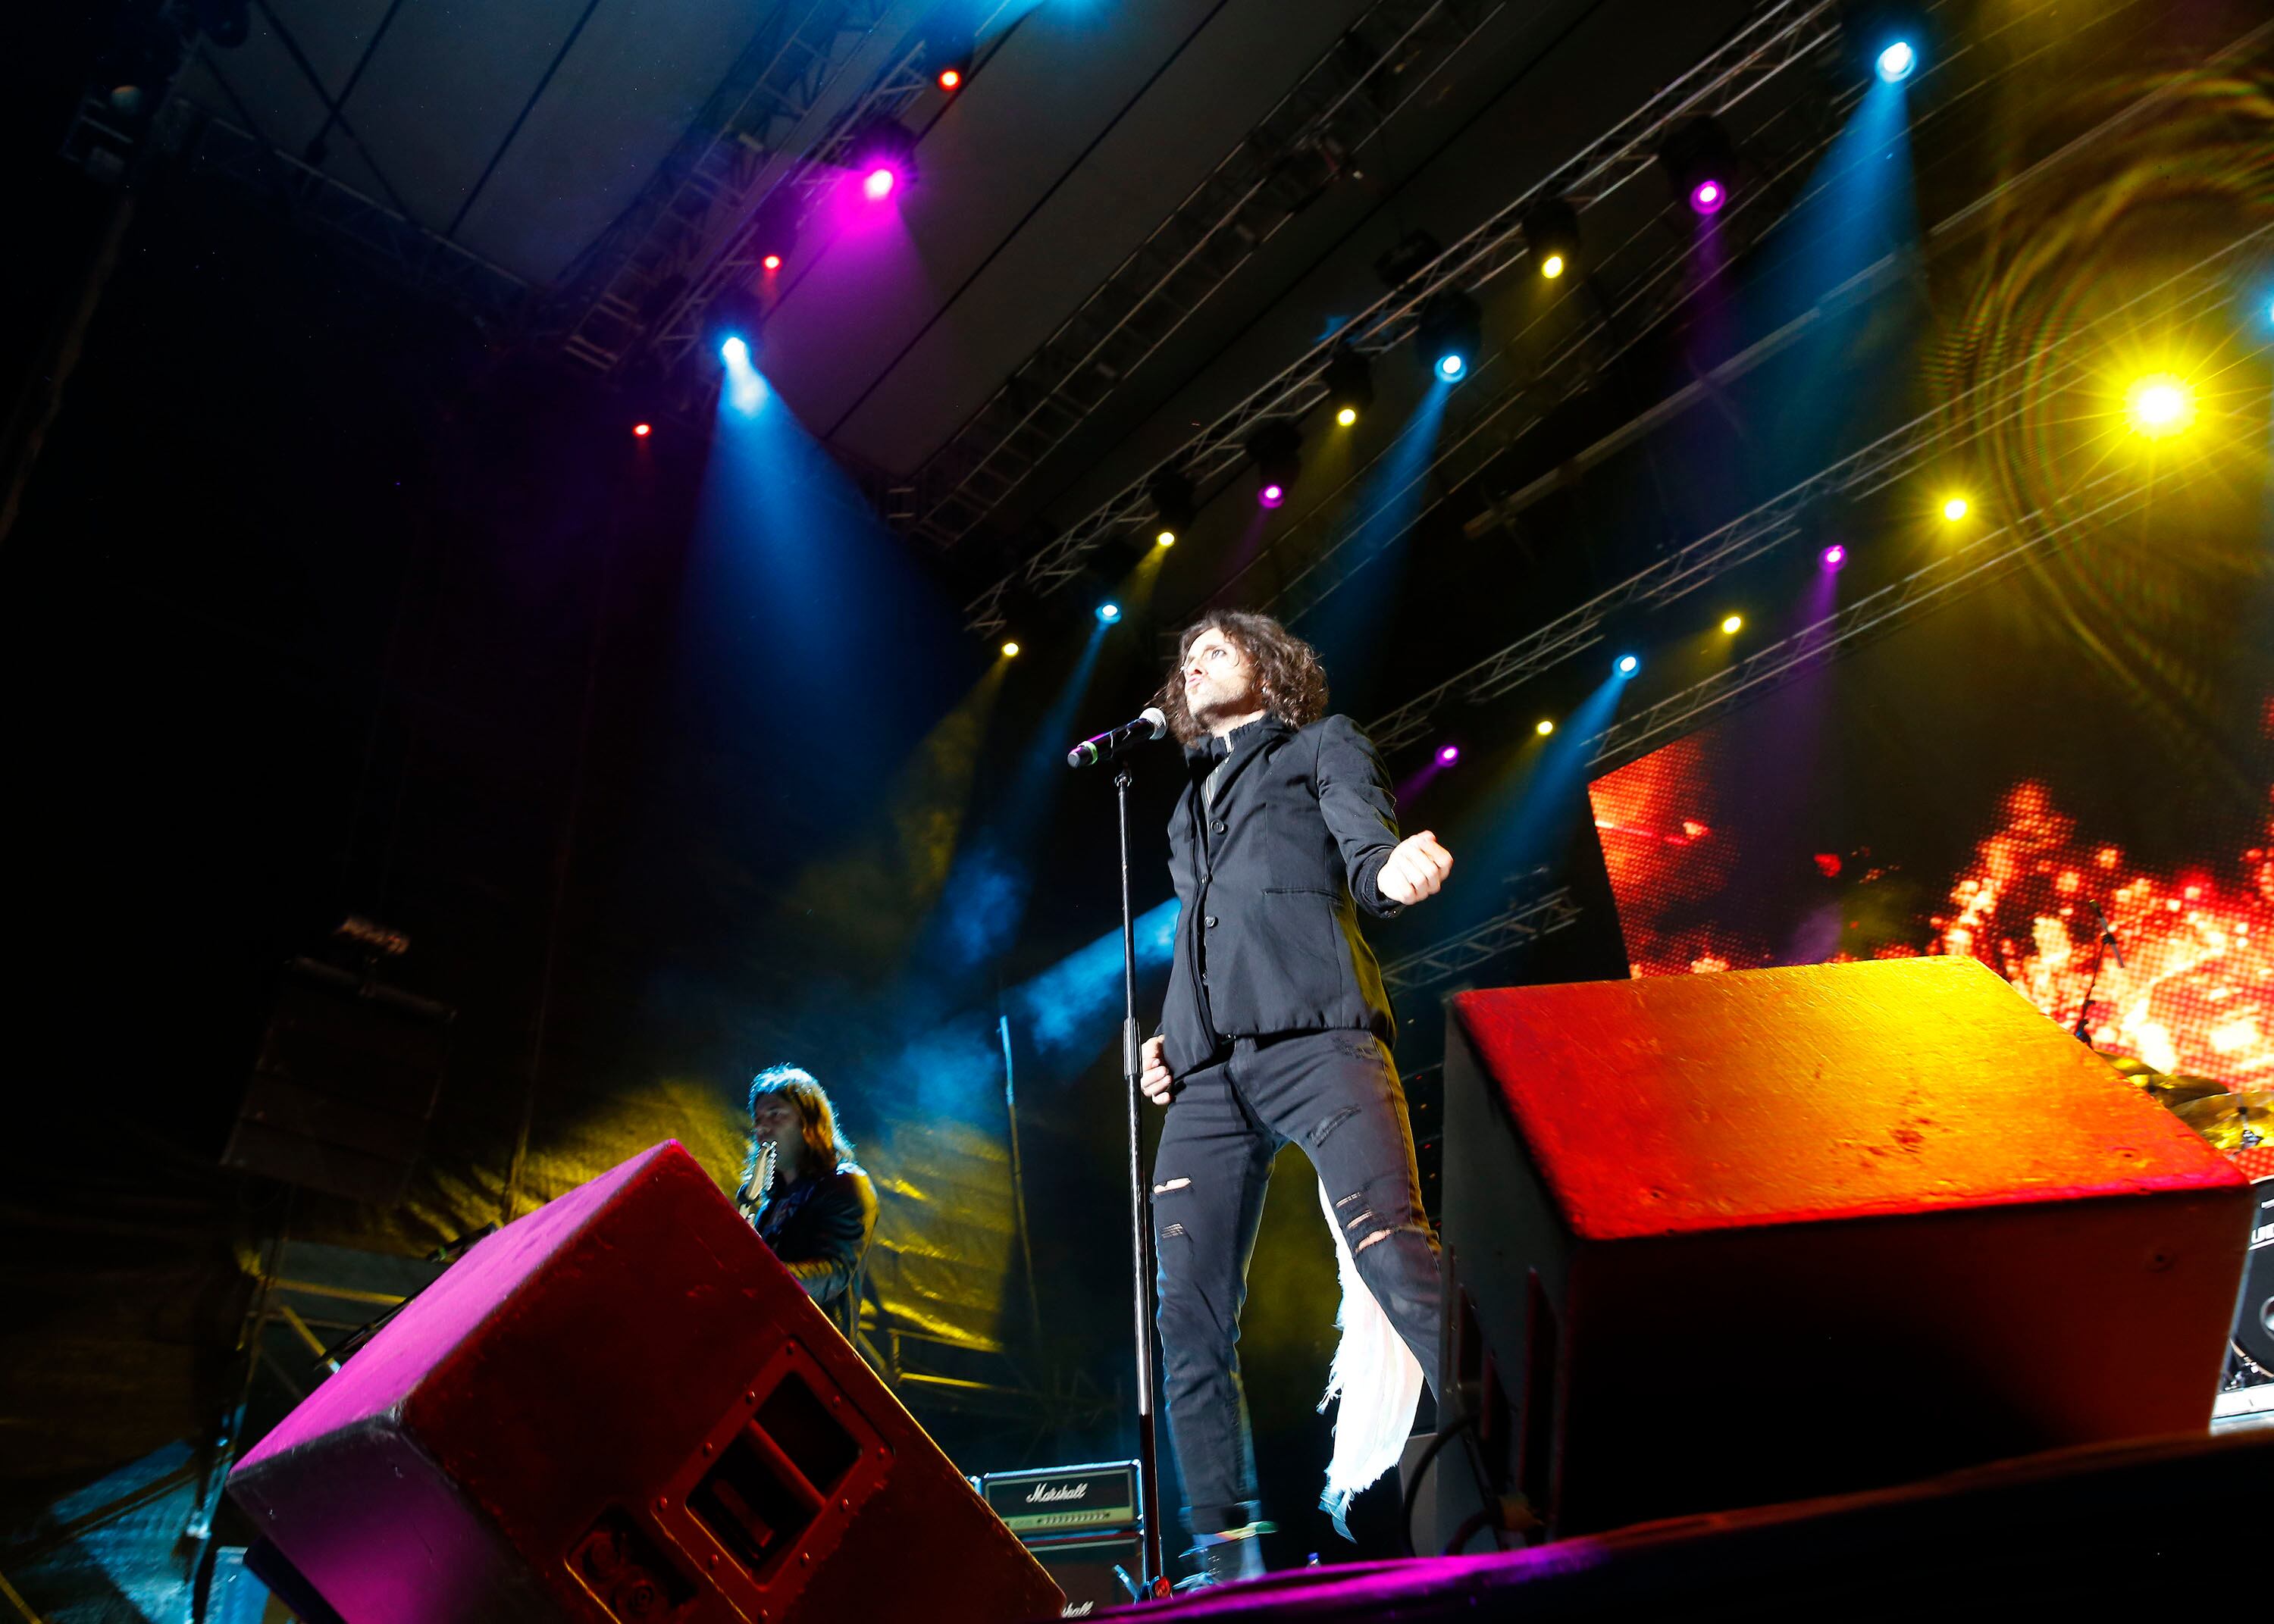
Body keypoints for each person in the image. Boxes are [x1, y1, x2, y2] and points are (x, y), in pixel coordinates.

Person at [1139, 611, 1453, 1586]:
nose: (1195, 664)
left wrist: (1393, 871)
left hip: (1318, 1037)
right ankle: (1224, 1552)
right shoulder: (1184, 808)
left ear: (1268, 667)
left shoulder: (1321, 744)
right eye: (1185, 658)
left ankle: (1532, 1450)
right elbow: (1206, 932)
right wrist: (1168, 1036)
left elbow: (1365, 853)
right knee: (1186, 1314)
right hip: (1204, 1075)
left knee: (1395, 1249)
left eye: (1216, 649)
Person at [737, 1065, 877, 1341]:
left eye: (775, 1114)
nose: (761, 1127)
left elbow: (834, 1273)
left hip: (811, 1349)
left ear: (808, 1120)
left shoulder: (846, 1184)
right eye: (758, 1119)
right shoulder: (770, 1207)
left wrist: (761, 1275)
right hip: (769, 1340)